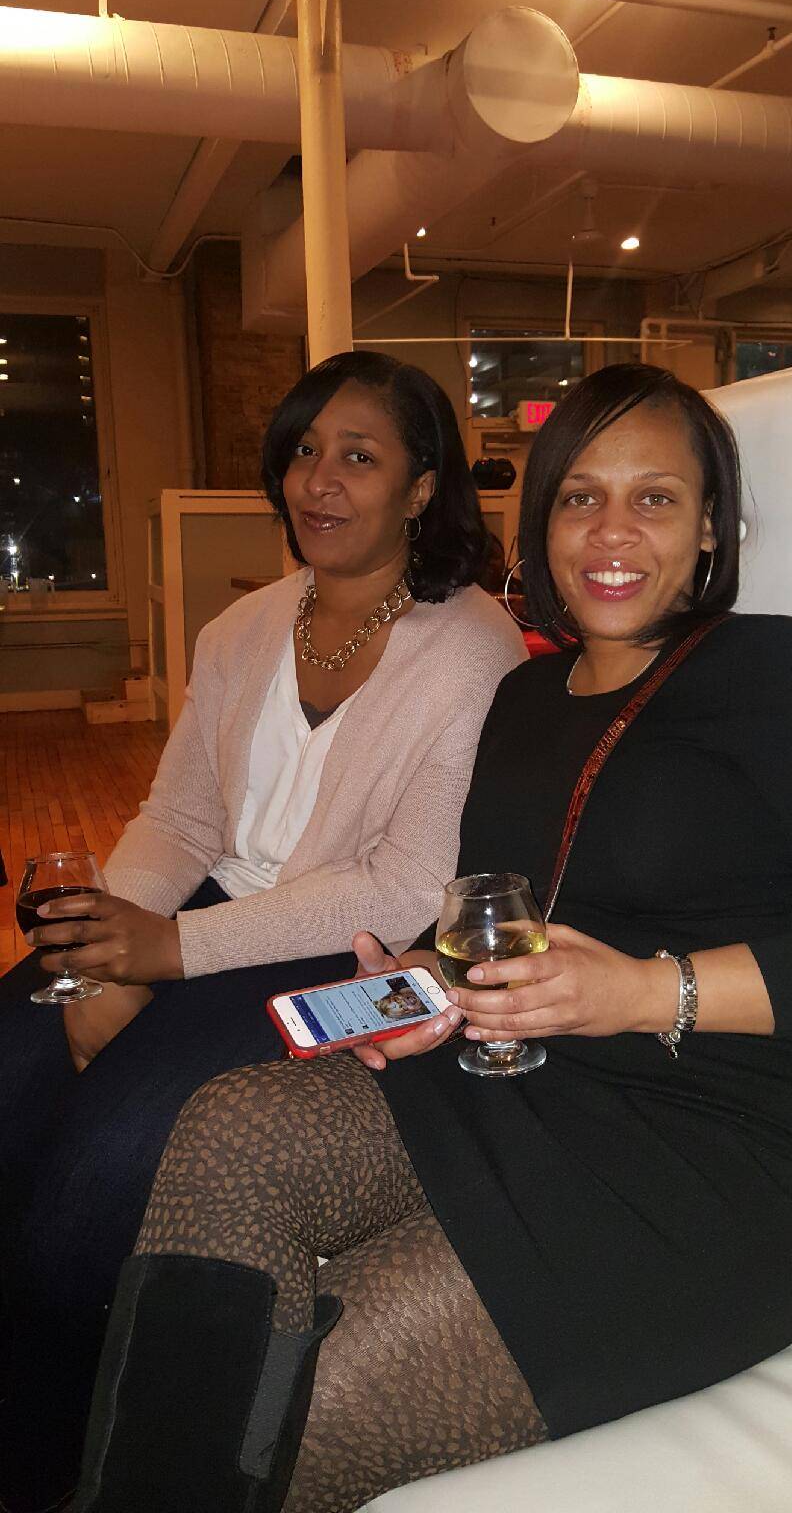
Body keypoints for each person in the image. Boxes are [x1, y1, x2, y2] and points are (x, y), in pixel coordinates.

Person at [71, 364, 792, 1513]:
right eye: (581, 497)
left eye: (656, 498)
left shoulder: (777, 674)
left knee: (289, 1412)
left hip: (720, 1153)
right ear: (542, 522)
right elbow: (497, 909)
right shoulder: (524, 699)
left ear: (711, 526)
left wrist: (645, 990)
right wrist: (428, 974)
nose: (612, 531)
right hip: (518, 1079)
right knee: (231, 1121)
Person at [0, 350, 526, 1513]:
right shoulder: (242, 627)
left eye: (358, 457)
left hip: (344, 958)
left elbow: (405, 884)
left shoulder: (472, 647)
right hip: (202, 920)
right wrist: (98, 949)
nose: (318, 481)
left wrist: (165, 954)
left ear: (422, 487)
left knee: (103, 1170)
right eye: (303, 451)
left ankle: (51, 1467)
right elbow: (180, 819)